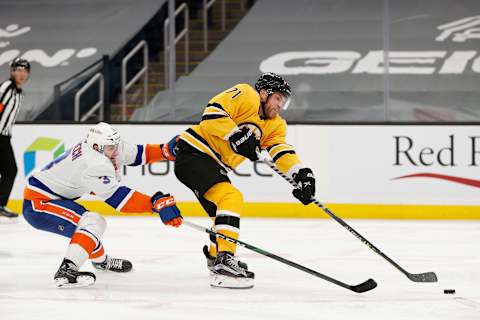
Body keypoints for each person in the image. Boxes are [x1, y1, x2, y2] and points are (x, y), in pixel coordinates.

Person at [174, 72, 316, 289]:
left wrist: (301, 174)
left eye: (283, 101)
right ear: (263, 93)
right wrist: (235, 134)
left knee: (221, 217)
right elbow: (212, 113)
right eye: (278, 98)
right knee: (232, 198)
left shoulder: (276, 125)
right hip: (194, 153)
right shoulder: (246, 94)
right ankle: (224, 261)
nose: (280, 104)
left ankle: (214, 257)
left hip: (214, 165)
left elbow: (281, 150)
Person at [22, 122, 182, 288]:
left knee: (86, 233)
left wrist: (164, 151)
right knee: (93, 222)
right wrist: (154, 204)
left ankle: (101, 263)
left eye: (115, 146)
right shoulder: (94, 163)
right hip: (38, 204)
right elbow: (121, 200)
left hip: (55, 197)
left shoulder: (107, 146)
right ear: (97, 147)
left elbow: (138, 154)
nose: (115, 151)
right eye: (111, 148)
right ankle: (67, 271)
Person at [0, 58, 30, 221]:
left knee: (10, 171)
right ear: (12, 72)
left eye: (25, 71)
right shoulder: (6, 88)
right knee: (10, 170)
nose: (21, 74)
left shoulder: (19, 93)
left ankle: (0, 205)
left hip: (4, 137)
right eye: (18, 70)